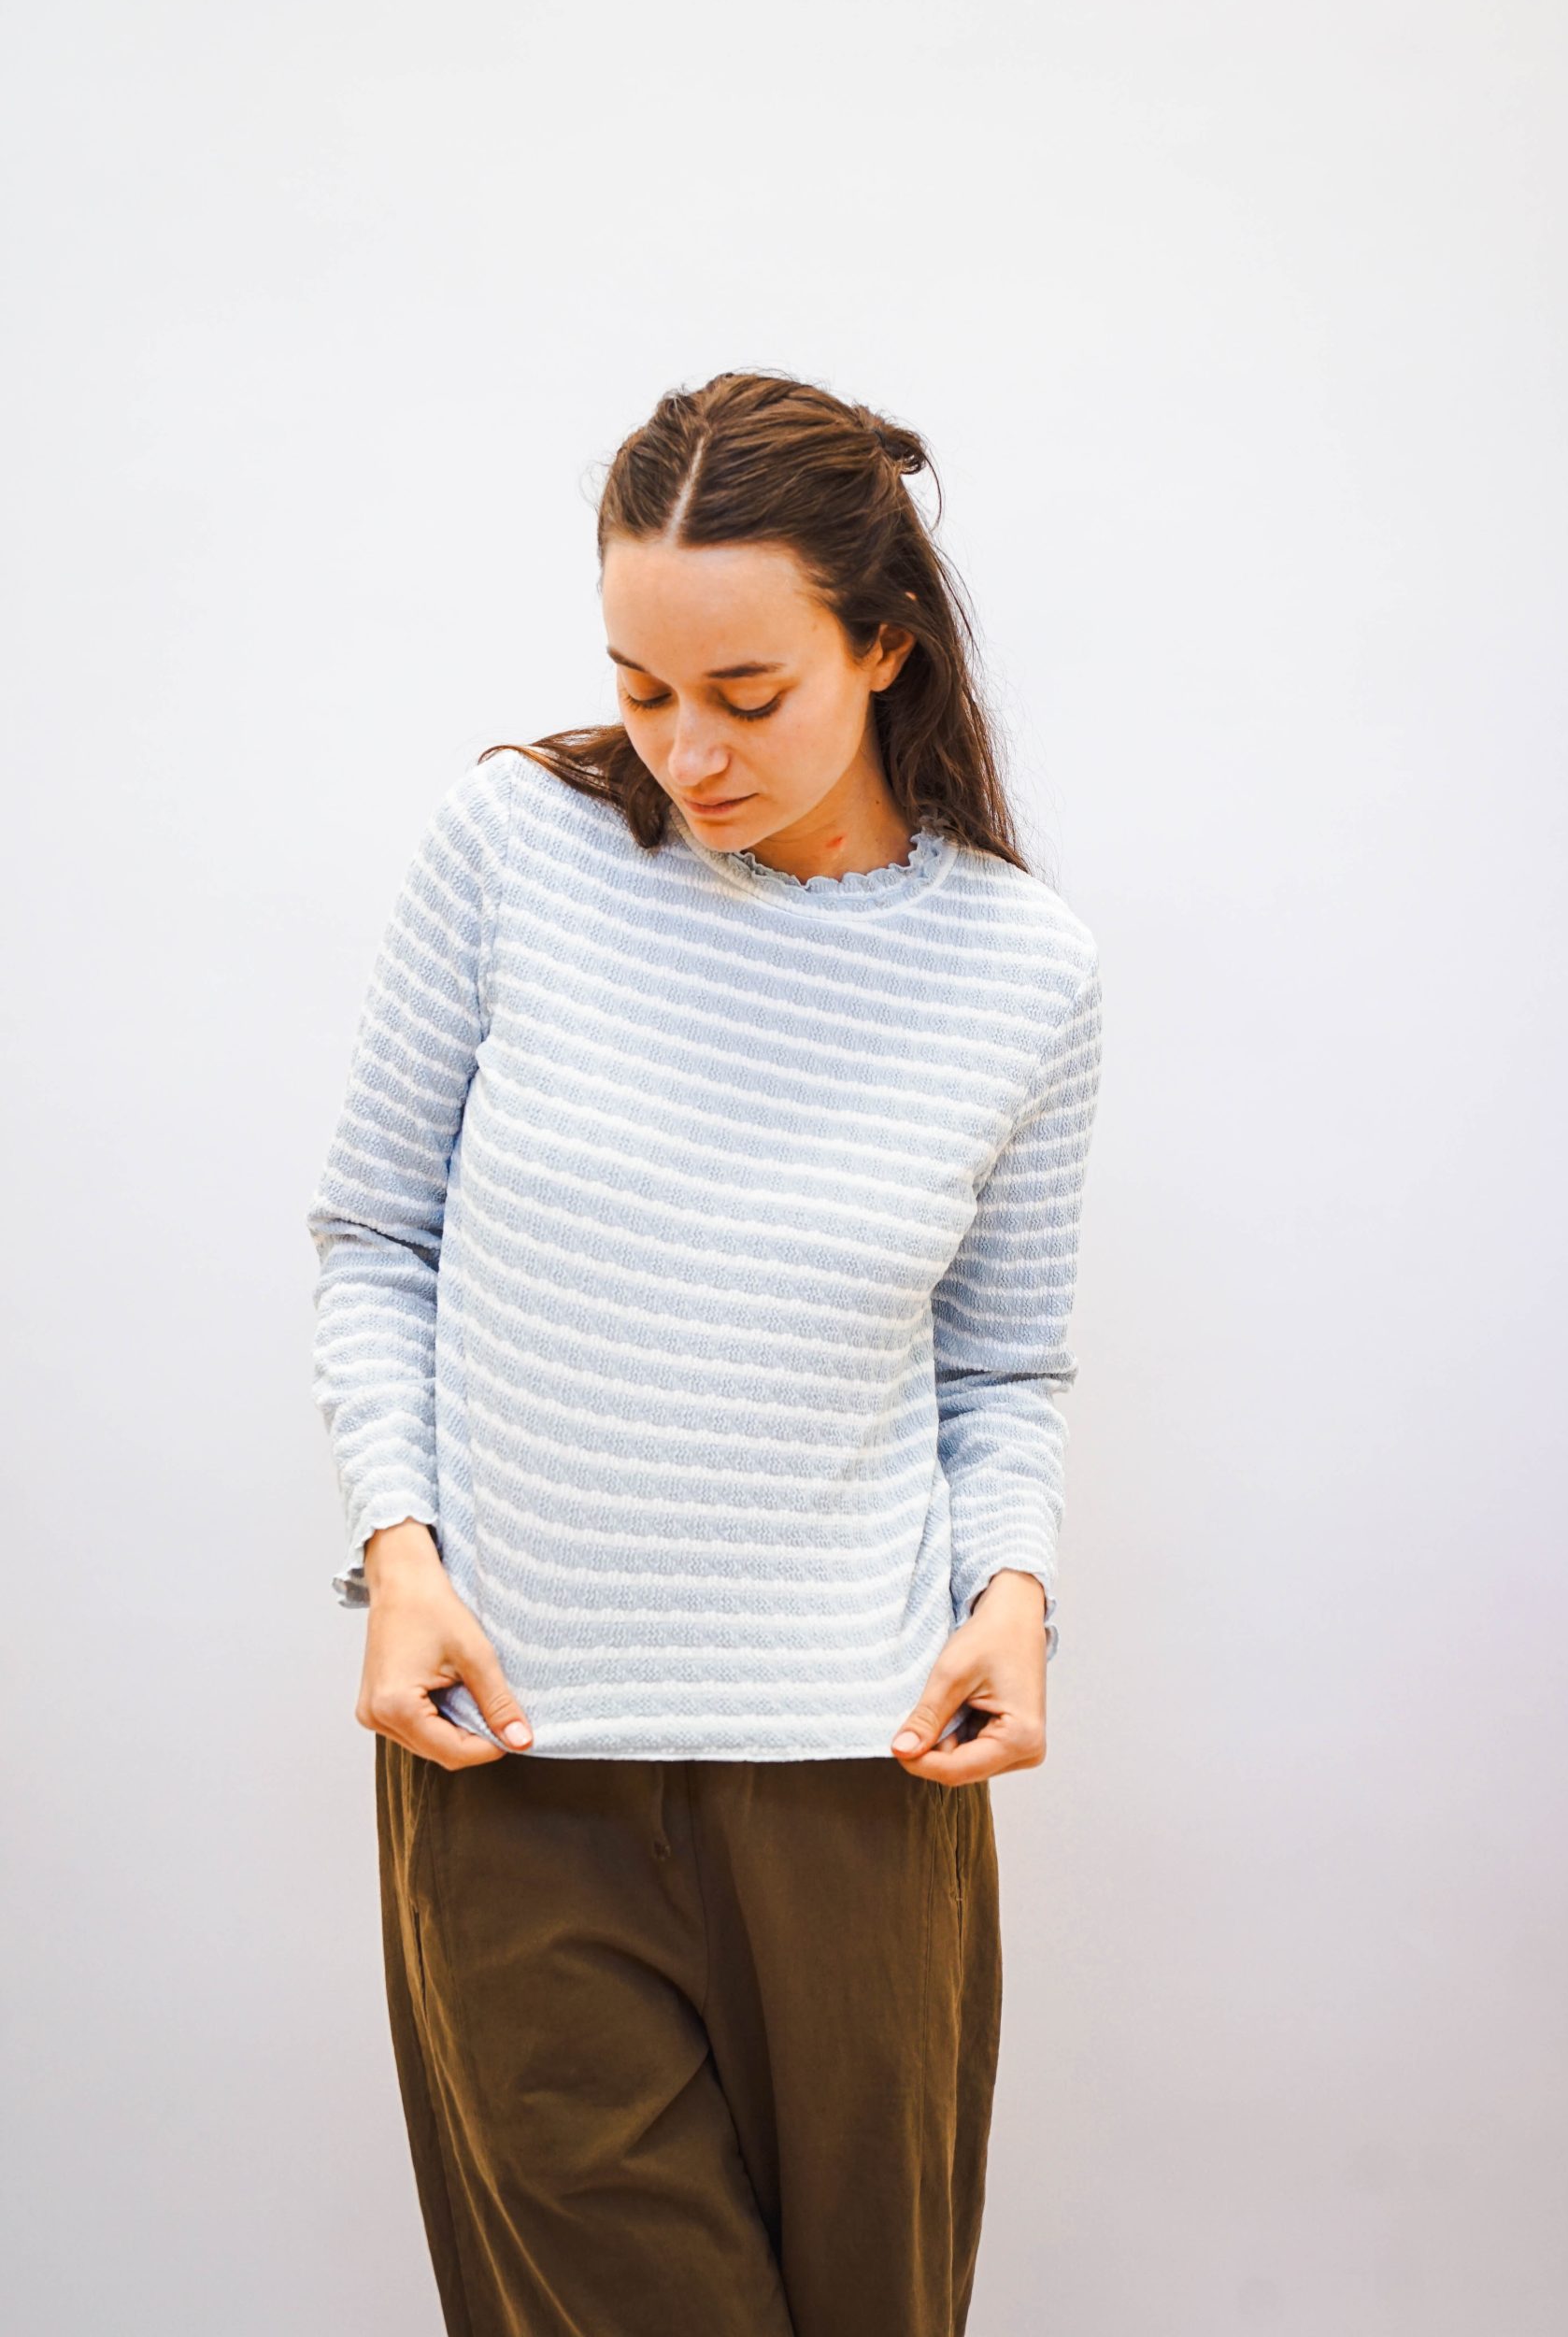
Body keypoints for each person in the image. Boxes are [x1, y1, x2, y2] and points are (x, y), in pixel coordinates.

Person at [305, 368, 1105, 2337]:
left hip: (858, 1779)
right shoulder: (509, 850)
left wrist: (1013, 1594)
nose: (685, 751)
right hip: (514, 1758)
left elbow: (1000, 1365)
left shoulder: (1021, 968)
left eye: (747, 695)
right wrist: (398, 1550)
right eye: (643, 687)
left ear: (883, 645)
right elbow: (376, 1234)